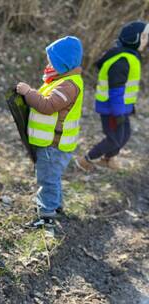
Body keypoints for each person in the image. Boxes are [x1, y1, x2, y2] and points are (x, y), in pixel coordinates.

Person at [16, 36, 84, 229]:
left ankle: (47, 215)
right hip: (51, 143)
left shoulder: (68, 85)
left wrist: (29, 92)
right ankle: (56, 205)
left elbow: (48, 106)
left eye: (51, 60)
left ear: (63, 63)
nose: (48, 64)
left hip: (53, 144)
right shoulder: (62, 80)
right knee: (52, 176)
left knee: (47, 179)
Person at [76, 21, 148, 171]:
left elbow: (127, 87)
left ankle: (108, 159)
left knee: (125, 135)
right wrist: (118, 113)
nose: (147, 41)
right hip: (112, 110)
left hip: (120, 108)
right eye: (144, 37)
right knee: (114, 139)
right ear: (133, 39)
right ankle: (86, 159)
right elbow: (116, 90)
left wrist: (129, 107)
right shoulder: (121, 61)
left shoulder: (129, 56)